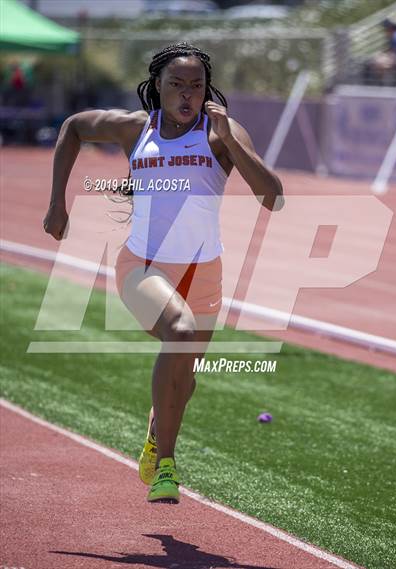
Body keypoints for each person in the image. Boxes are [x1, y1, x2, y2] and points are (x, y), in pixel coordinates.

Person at [43, 42, 284, 504]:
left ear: (207, 90)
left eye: (196, 85)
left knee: (185, 379)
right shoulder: (137, 129)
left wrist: (231, 141)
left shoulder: (222, 133)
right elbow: (73, 127)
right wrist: (58, 203)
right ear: (158, 86)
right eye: (176, 85)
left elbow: (273, 197)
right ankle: (167, 467)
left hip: (204, 273)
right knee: (180, 330)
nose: (187, 94)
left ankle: (156, 432)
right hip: (143, 265)